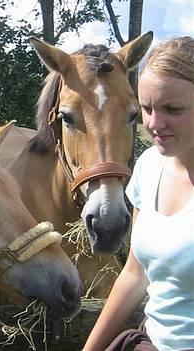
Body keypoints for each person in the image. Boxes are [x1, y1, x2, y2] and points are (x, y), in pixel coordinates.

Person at [83, 36, 194, 351]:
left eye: (173, 108)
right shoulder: (148, 167)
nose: (155, 124)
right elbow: (135, 274)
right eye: (145, 108)